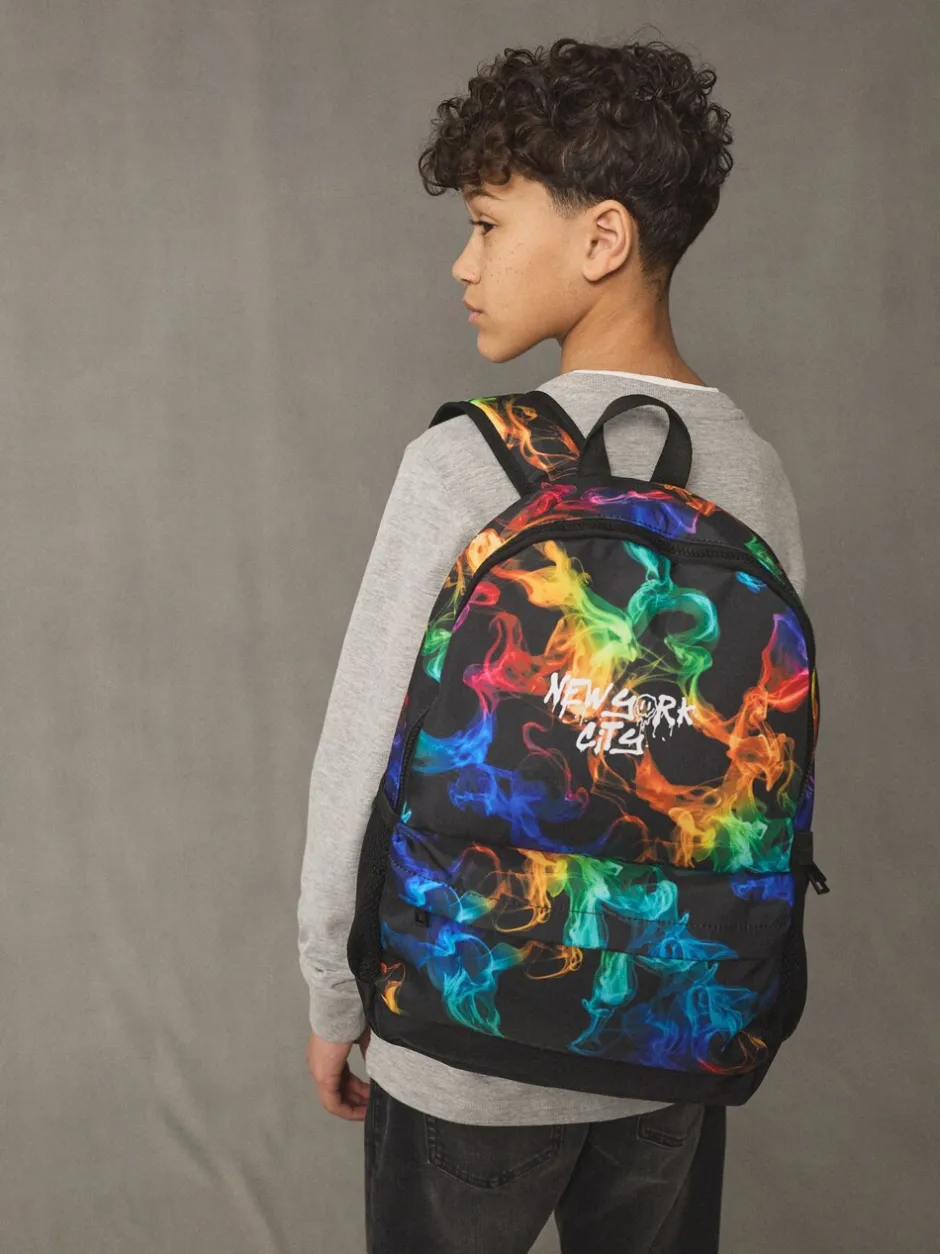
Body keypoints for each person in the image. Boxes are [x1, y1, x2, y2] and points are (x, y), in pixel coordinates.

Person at [298, 33, 807, 1254]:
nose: (462, 262)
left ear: (603, 238)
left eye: (486, 224)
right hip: (673, 1033)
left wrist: (332, 992)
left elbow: (357, 761)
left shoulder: (457, 466)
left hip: (463, 1036)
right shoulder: (754, 477)